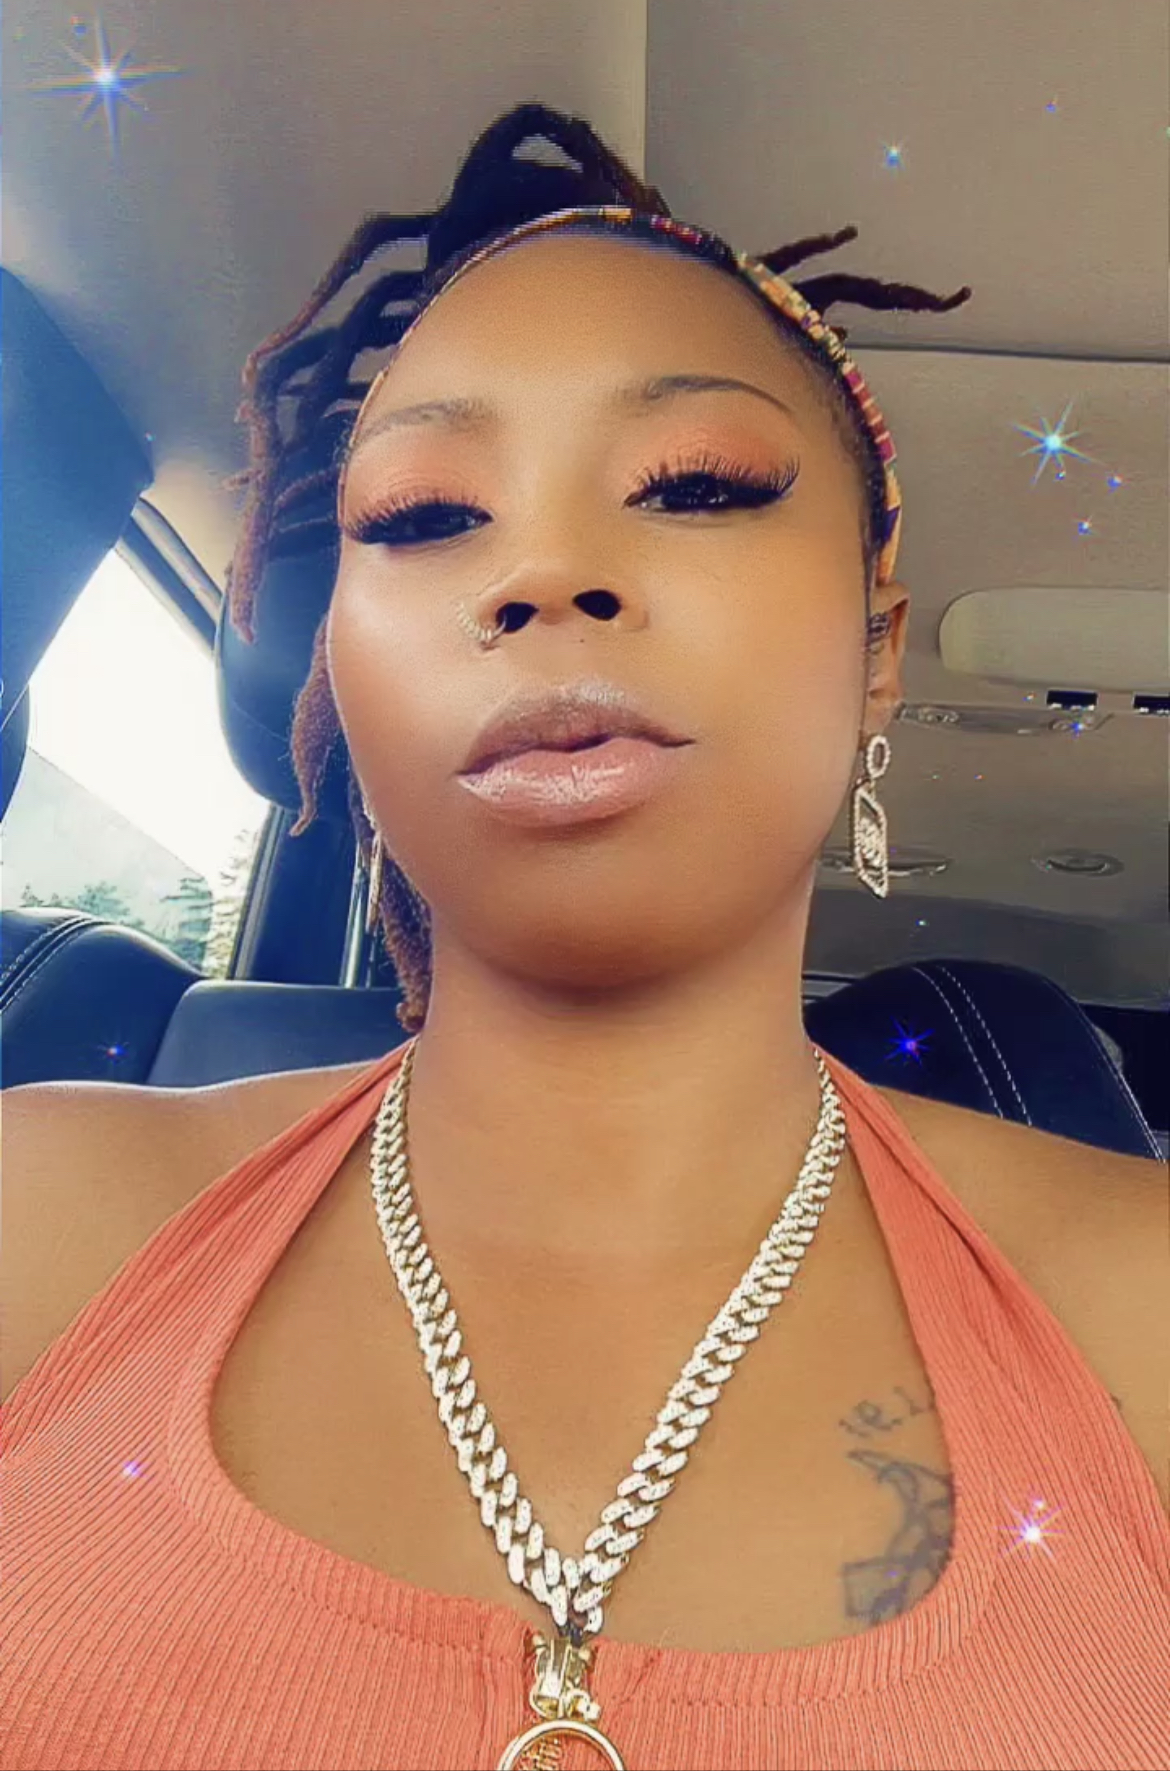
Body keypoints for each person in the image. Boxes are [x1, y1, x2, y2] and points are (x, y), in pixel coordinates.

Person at [2, 103, 1166, 1771]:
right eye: (421, 516)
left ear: (874, 648)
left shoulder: (1142, 1307)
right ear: (340, 671)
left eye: (694, 484)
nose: (545, 572)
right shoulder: (34, 1215)